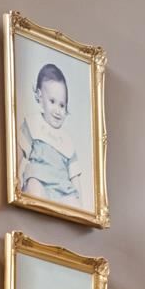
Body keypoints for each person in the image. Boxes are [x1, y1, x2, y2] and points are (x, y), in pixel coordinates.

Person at [20, 59, 85, 204]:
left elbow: (75, 177)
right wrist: (15, 182)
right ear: (39, 96)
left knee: (73, 201)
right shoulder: (33, 123)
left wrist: (80, 205)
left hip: (62, 190)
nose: (58, 111)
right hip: (38, 179)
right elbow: (20, 154)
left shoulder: (67, 140)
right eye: (52, 102)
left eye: (62, 105)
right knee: (33, 186)